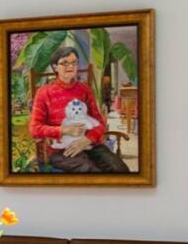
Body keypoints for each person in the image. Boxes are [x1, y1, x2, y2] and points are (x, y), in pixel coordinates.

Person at [26, 40, 127, 173]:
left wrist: (87, 139)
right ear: (55, 67)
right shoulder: (44, 92)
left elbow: (99, 122)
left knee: (119, 169)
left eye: (74, 63)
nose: (70, 66)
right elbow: (35, 129)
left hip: (89, 144)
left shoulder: (85, 90)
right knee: (92, 172)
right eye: (65, 63)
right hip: (61, 149)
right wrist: (64, 130)